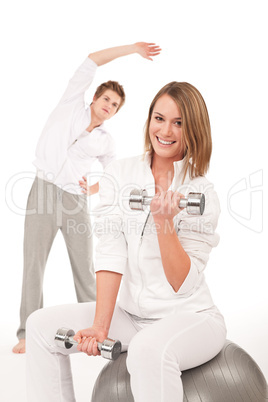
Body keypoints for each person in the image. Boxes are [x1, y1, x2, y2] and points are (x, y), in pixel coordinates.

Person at [26, 80, 227, 401]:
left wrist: (164, 223)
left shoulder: (201, 193)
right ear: (149, 119)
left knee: (148, 350)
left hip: (191, 318)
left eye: (179, 122)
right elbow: (110, 253)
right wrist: (100, 326)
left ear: (194, 129)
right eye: (159, 118)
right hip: (132, 317)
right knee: (39, 326)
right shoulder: (119, 173)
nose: (166, 130)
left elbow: (183, 284)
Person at [13, 42, 161, 354]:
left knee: (86, 265)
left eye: (115, 105)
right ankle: (26, 333)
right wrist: (134, 48)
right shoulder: (70, 105)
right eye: (106, 99)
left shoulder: (106, 142)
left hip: (75, 203)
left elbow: (111, 177)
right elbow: (92, 59)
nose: (109, 105)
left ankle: (97, 331)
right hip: (43, 191)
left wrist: (90, 189)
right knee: (33, 264)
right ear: (94, 98)